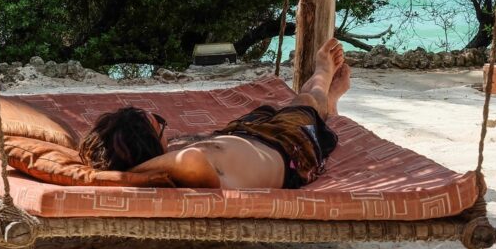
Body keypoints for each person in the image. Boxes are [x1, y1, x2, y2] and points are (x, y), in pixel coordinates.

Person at [77, 38, 351, 189]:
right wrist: (127, 175)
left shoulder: (167, 159)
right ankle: (323, 81)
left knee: (270, 110)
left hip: (245, 134)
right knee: (307, 101)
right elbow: (190, 158)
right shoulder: (190, 169)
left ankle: (324, 102)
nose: (165, 126)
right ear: (149, 148)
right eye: (159, 124)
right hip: (289, 148)